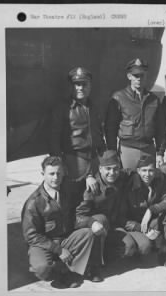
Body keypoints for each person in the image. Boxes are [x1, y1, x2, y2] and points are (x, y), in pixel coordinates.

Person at [21, 156, 103, 288]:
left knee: (89, 233)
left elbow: (74, 218)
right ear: (43, 174)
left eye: (58, 173)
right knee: (42, 269)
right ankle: (59, 269)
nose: (55, 177)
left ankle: (68, 272)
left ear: (64, 173)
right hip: (43, 243)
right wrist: (59, 250)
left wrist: (91, 222)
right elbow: (31, 236)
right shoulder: (33, 202)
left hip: (64, 239)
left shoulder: (65, 193)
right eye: (51, 174)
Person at [50, 67, 106, 212]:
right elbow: (54, 138)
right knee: (72, 202)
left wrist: (104, 159)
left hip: (94, 160)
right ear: (72, 86)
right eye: (77, 84)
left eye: (84, 84)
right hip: (74, 162)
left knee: (96, 201)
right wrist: (59, 164)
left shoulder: (94, 107)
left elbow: (99, 134)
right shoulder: (62, 108)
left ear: (90, 86)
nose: (81, 88)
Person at [74, 150, 130, 277]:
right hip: (96, 229)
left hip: (113, 228)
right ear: (100, 169)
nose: (112, 173)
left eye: (116, 169)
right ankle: (93, 265)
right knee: (101, 218)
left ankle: (105, 254)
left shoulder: (120, 178)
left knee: (130, 248)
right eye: (108, 169)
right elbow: (78, 217)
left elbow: (133, 172)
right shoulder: (92, 188)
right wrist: (92, 222)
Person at [117, 155, 166, 268]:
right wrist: (140, 228)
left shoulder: (159, 181)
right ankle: (136, 249)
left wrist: (151, 209)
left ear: (155, 171)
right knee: (145, 247)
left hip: (151, 220)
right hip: (133, 224)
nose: (147, 174)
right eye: (144, 170)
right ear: (138, 171)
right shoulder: (129, 186)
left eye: (151, 170)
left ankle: (163, 252)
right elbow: (121, 217)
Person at [105, 58, 165, 169]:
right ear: (129, 76)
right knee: (128, 183)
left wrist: (160, 153)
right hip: (127, 150)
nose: (139, 79)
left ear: (146, 75)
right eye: (136, 75)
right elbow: (110, 128)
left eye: (142, 75)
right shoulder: (119, 97)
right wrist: (113, 152)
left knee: (148, 183)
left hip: (148, 149)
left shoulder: (154, 100)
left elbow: (160, 129)